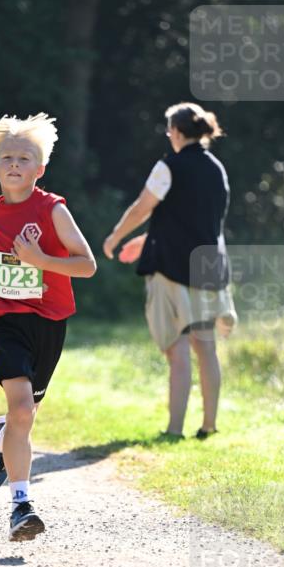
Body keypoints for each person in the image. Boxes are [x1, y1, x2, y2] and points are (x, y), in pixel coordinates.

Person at [0, 113, 96, 540]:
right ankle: (21, 504)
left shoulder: (52, 210)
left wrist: (41, 261)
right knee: (23, 409)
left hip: (48, 321)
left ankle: (0, 438)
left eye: (24, 158)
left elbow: (87, 265)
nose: (14, 164)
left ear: (39, 169)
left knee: (24, 415)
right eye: (6, 157)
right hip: (3, 319)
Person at [103, 102, 237, 440]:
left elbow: (141, 208)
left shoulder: (169, 166)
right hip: (208, 267)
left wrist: (116, 236)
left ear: (176, 132)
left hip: (171, 268)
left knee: (176, 349)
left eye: (168, 130)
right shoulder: (217, 169)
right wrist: (145, 240)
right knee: (205, 348)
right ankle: (209, 425)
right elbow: (194, 221)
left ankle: (174, 430)